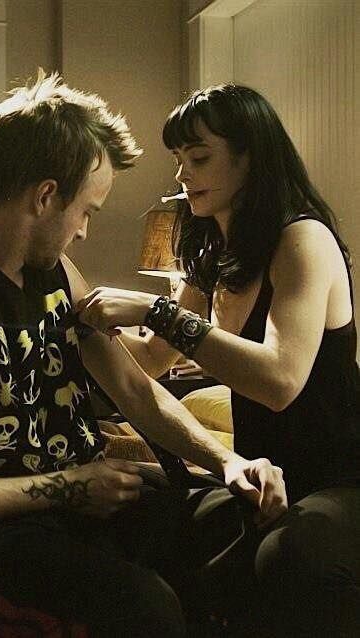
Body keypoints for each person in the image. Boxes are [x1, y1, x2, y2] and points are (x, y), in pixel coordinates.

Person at [0, 71, 286, 637]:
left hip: (67, 511)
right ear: (44, 196)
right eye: (86, 211)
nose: (84, 232)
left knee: (245, 527)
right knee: (144, 609)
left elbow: (134, 388)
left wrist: (226, 462)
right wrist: (76, 485)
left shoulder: (56, 272)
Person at [76, 83, 360, 637]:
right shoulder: (209, 256)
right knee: (136, 510)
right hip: (262, 473)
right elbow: (153, 361)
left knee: (290, 558)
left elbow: (279, 380)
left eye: (199, 157)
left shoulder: (302, 238)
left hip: (341, 475)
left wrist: (153, 309)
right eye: (179, 160)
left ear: (250, 153)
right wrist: (78, 322)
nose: (183, 175)